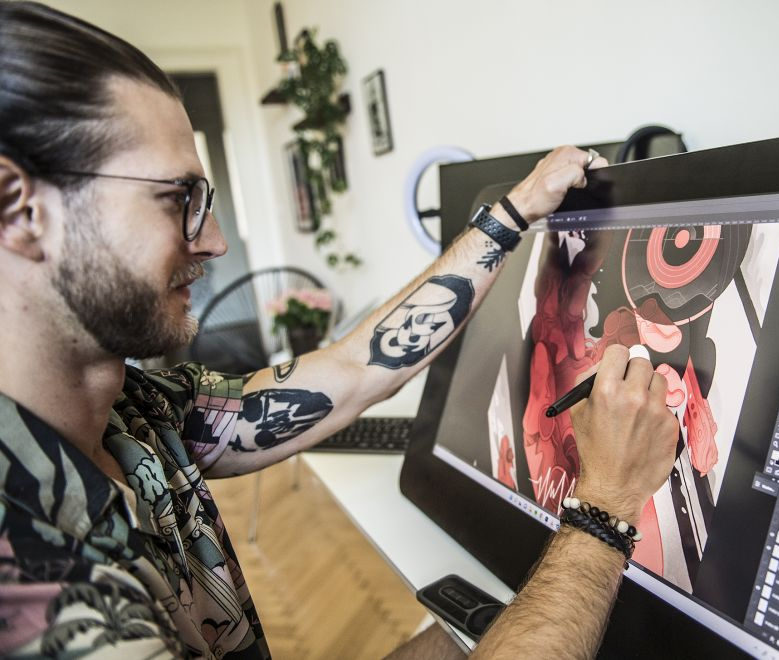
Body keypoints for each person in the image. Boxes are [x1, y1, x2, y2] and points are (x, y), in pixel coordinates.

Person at [0, 3, 678, 658]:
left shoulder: (138, 413)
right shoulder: (30, 580)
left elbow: (353, 371)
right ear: (17, 209)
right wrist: (606, 505)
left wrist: (514, 212)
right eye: (177, 198)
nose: (214, 242)